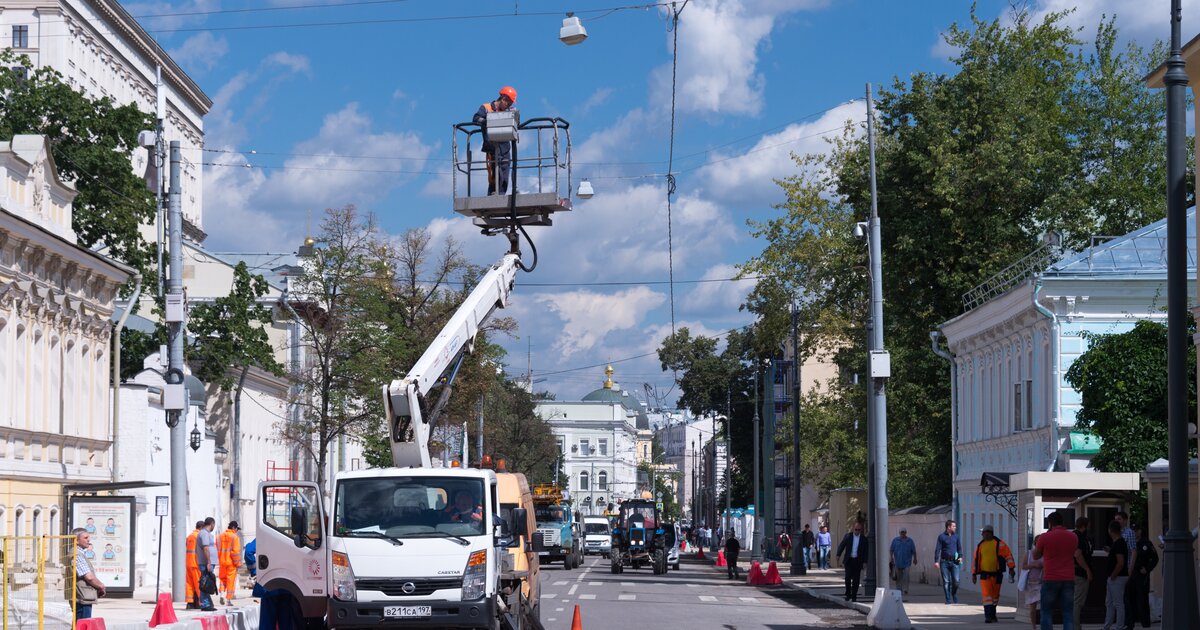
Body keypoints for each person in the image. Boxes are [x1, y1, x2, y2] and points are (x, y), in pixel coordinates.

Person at [1034, 510, 1087, 630]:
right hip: (1068, 578)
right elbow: (1073, 553)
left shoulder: (1044, 537)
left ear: (1050, 524)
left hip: (1050, 578)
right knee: (1068, 612)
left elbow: (1036, 556)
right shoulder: (1073, 537)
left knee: (1046, 611)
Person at [472, 86, 517, 196]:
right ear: (503, 98)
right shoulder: (486, 107)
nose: (509, 105)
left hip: (505, 147)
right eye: (508, 103)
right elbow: (476, 118)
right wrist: (489, 121)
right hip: (491, 146)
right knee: (495, 174)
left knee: (505, 175)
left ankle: (501, 194)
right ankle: (493, 194)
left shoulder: (508, 112)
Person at [972, 523, 1016, 623]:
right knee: (987, 596)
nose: (983, 535)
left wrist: (1011, 568)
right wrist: (974, 574)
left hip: (997, 575)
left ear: (990, 533)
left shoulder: (1000, 544)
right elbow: (975, 561)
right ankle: (988, 616)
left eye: (984, 533)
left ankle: (992, 615)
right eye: (983, 533)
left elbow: (1008, 556)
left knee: (995, 597)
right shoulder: (980, 546)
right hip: (984, 575)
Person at [1124, 523, 1157, 629]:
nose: (1134, 533)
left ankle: (1145, 622)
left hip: (1141, 575)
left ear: (1140, 531)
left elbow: (1155, 558)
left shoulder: (1146, 543)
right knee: (1130, 598)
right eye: (1133, 531)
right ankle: (1130, 622)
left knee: (1142, 598)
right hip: (1131, 573)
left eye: (1136, 531)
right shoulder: (1129, 542)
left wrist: (1147, 569)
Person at [72, 528, 106, 621]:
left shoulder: (79, 553)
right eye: (85, 537)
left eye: (89, 537)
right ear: (77, 541)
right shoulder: (77, 555)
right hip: (82, 596)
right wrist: (101, 586)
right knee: (83, 624)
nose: (88, 540)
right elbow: (89, 577)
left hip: (83, 595)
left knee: (79, 624)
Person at [1103, 520, 1128, 630]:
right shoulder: (1118, 543)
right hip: (1115, 577)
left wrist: (1113, 575)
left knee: (1118, 603)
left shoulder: (1118, 543)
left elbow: (1120, 563)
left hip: (1117, 577)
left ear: (1110, 530)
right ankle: (1107, 626)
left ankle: (1119, 626)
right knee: (1109, 603)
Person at [837, 520, 869, 602]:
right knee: (847, 578)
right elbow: (842, 545)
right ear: (853, 528)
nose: (857, 531)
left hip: (858, 561)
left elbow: (866, 551)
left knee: (856, 579)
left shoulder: (864, 539)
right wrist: (838, 555)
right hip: (849, 560)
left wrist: (865, 562)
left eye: (859, 530)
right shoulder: (848, 536)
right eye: (856, 529)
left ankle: (854, 596)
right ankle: (848, 594)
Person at [934, 519, 964, 605]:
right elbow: (938, 549)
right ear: (949, 527)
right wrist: (936, 561)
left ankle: (954, 593)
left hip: (955, 562)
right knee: (946, 581)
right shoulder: (941, 537)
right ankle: (948, 599)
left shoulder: (956, 536)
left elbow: (959, 548)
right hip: (944, 562)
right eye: (954, 526)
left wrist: (960, 557)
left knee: (956, 581)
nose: (955, 527)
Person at [1072, 517, 1094, 629]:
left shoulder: (1072, 536)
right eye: (1088, 525)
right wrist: (1087, 569)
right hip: (1079, 573)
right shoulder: (1079, 537)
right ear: (1084, 526)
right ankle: (1075, 626)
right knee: (1078, 602)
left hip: (1070, 572)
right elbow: (1077, 554)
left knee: (1074, 600)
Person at [196, 517, 219, 612]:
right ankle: (205, 605)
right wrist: (209, 562)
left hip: (207, 563)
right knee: (205, 584)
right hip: (206, 563)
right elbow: (206, 548)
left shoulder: (206, 533)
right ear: (212, 524)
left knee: (207, 583)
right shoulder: (204, 534)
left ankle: (208, 603)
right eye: (214, 525)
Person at [1023, 533, 1046, 629]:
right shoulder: (1028, 553)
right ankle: (1033, 626)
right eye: (1038, 542)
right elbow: (1023, 566)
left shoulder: (1046, 554)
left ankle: (1044, 624)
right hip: (1030, 583)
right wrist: (1033, 565)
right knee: (1032, 607)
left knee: (1044, 605)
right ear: (1035, 543)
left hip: (1042, 582)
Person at [218, 521, 243, 605]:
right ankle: (228, 599)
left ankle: (221, 594)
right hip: (231, 563)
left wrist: (220, 559)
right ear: (233, 528)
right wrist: (238, 563)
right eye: (236, 529)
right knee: (230, 581)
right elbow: (235, 552)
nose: (236, 531)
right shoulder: (234, 537)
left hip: (222, 562)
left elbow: (217, 549)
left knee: (222, 579)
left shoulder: (219, 536)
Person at [890, 527, 917, 597]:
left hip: (907, 562)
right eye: (901, 532)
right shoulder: (895, 540)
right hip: (898, 562)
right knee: (899, 576)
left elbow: (913, 551)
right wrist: (891, 558)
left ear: (906, 533)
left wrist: (915, 559)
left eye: (904, 532)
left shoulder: (910, 541)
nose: (903, 534)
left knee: (906, 575)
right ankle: (899, 589)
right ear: (899, 533)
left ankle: (905, 589)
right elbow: (891, 550)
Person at [185, 520, 203, 609]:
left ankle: (190, 603)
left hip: (188, 563)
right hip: (196, 564)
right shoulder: (200, 537)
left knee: (189, 584)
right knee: (198, 584)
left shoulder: (189, 537)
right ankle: (201, 603)